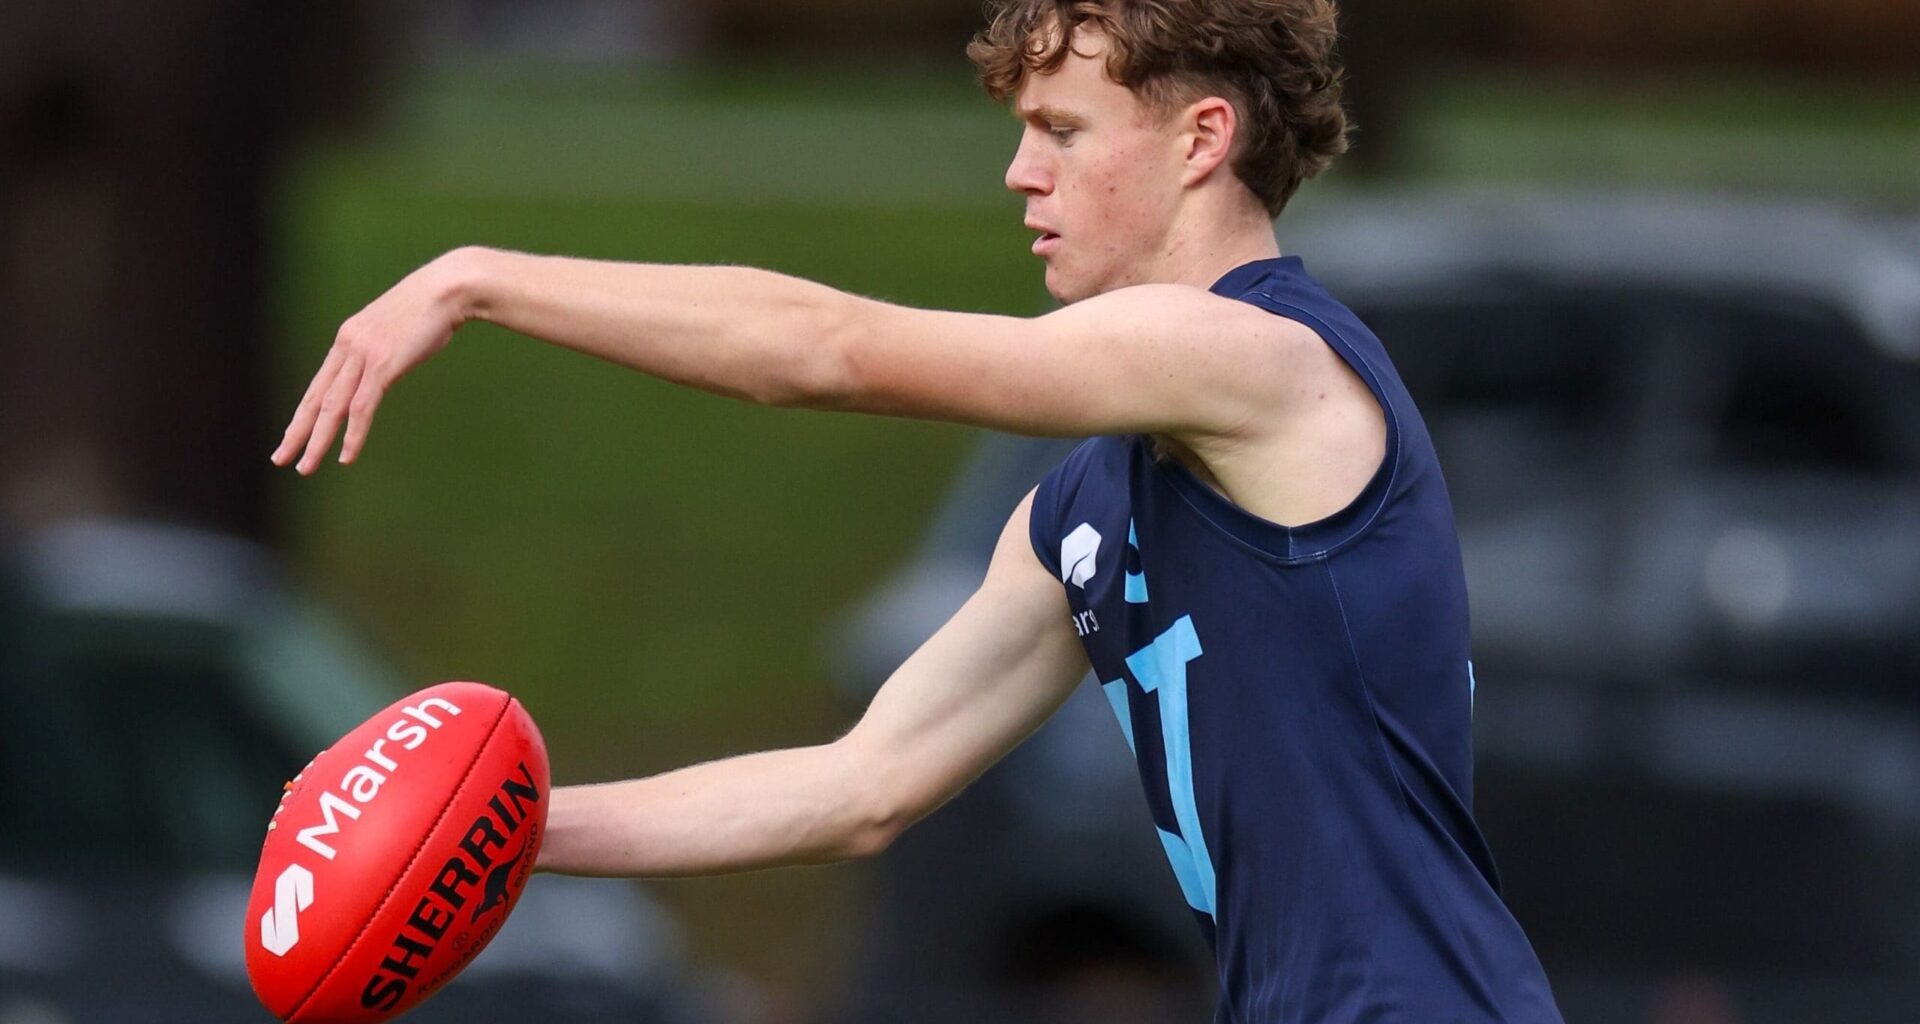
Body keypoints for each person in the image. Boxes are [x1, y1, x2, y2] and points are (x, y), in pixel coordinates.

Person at [272, 0, 1563, 1019]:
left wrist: (482, 277)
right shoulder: (1083, 514)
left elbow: (826, 351)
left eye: (1061, 130)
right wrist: (491, 838)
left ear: (1202, 139)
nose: (1018, 173)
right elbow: (861, 786)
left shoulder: (1263, 365)